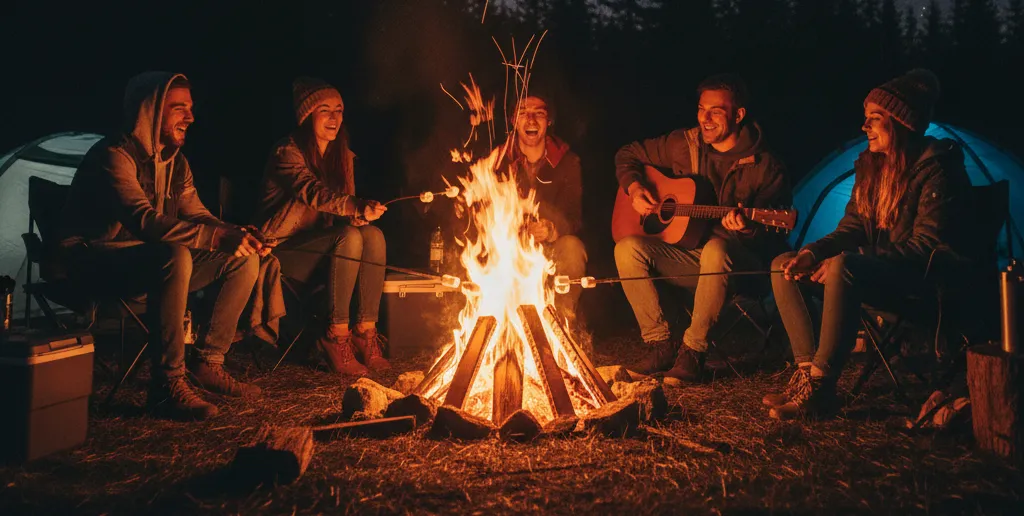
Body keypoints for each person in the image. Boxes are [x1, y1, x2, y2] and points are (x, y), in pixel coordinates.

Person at [764, 69, 972, 419]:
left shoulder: (938, 170)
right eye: (865, 119)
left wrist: (850, 260)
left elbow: (928, 246)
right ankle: (805, 375)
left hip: (921, 283)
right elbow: (853, 227)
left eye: (875, 120)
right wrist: (813, 253)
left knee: (846, 266)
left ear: (902, 124)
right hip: (875, 272)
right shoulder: (871, 167)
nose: (865, 128)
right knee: (783, 263)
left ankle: (822, 387)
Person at [58, 72, 264, 421]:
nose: (191, 117)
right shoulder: (114, 155)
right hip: (92, 261)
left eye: (191, 108)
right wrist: (215, 237)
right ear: (149, 110)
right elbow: (144, 220)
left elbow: (196, 213)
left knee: (241, 260)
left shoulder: (175, 162)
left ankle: (208, 362)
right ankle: (166, 385)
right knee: (173, 253)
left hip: (148, 262)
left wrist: (235, 233)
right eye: (179, 108)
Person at [614, 74, 791, 381]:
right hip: (690, 257)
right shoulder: (686, 144)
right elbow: (627, 154)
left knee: (716, 248)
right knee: (627, 248)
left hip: (741, 266)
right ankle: (660, 345)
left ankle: (693, 352)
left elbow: (774, 241)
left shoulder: (766, 166)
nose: (705, 119)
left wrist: (747, 228)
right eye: (701, 109)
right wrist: (634, 187)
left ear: (738, 115)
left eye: (716, 111)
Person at [254, 77, 389, 377]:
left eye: (339, 110)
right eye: (324, 110)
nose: (334, 118)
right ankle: (335, 335)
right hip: (280, 251)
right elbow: (312, 193)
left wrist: (358, 214)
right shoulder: (287, 153)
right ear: (307, 116)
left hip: (324, 248)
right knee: (348, 237)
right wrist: (353, 206)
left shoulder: (343, 157)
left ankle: (365, 331)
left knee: (372, 235)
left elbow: (343, 213)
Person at [507, 94, 587, 319]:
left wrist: (553, 229)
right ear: (513, 120)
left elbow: (574, 217)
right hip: (510, 248)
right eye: (523, 113)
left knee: (573, 248)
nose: (531, 120)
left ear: (549, 121)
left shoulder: (568, 161)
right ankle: (506, 326)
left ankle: (560, 325)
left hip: (551, 248)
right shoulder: (499, 159)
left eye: (539, 113)